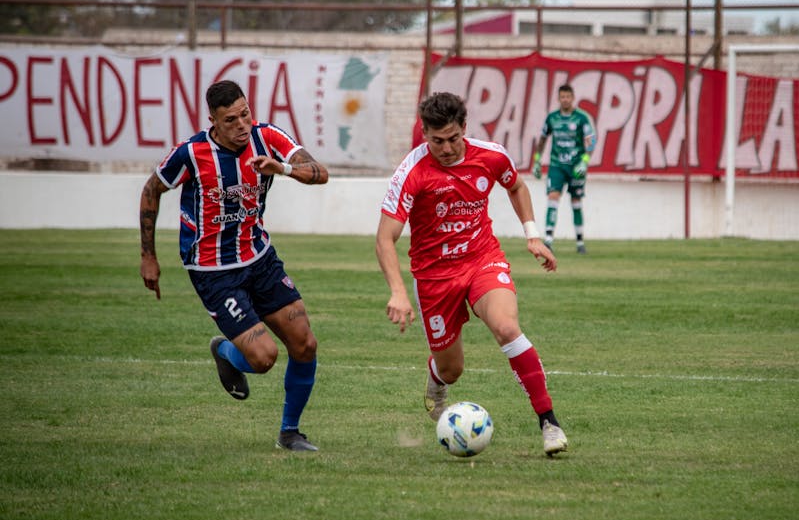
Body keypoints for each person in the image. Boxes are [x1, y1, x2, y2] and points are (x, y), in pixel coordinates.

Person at [139, 80, 330, 452]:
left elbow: (320, 173)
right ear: (213, 121)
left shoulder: (267, 137)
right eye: (231, 120)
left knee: (305, 344)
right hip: (213, 271)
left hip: (260, 260)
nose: (243, 124)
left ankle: (290, 433)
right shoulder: (192, 153)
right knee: (263, 359)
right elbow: (152, 190)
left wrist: (283, 168)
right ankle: (224, 352)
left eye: (246, 114)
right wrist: (148, 255)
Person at [376, 91, 569, 457]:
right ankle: (436, 382)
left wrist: (533, 236)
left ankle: (549, 423)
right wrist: (398, 292)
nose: (446, 148)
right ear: (424, 134)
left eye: (453, 138)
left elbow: (516, 185)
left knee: (507, 327)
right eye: (437, 141)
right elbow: (385, 238)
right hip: (433, 276)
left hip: (482, 259)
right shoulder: (412, 172)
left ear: (464, 128)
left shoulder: (491, 155)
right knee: (452, 370)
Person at [532, 84, 597, 254]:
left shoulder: (582, 118)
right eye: (562, 97)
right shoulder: (552, 118)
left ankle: (580, 242)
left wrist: (584, 161)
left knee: (576, 201)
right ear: (558, 98)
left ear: (573, 98)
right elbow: (543, 139)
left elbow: (591, 142)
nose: (565, 100)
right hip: (557, 165)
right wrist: (537, 160)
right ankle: (548, 239)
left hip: (576, 167)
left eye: (568, 97)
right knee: (553, 196)